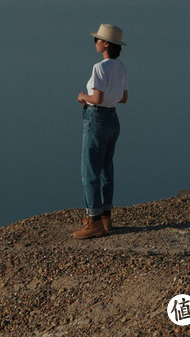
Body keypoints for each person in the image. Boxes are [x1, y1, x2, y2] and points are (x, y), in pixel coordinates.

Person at [73, 24, 128, 240]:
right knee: (106, 168)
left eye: (97, 39)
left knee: (90, 171)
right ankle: (106, 217)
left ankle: (93, 221)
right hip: (113, 119)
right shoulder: (121, 67)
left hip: (96, 119)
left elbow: (96, 99)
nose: (95, 43)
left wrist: (81, 96)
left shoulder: (99, 68)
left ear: (105, 44)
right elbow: (123, 98)